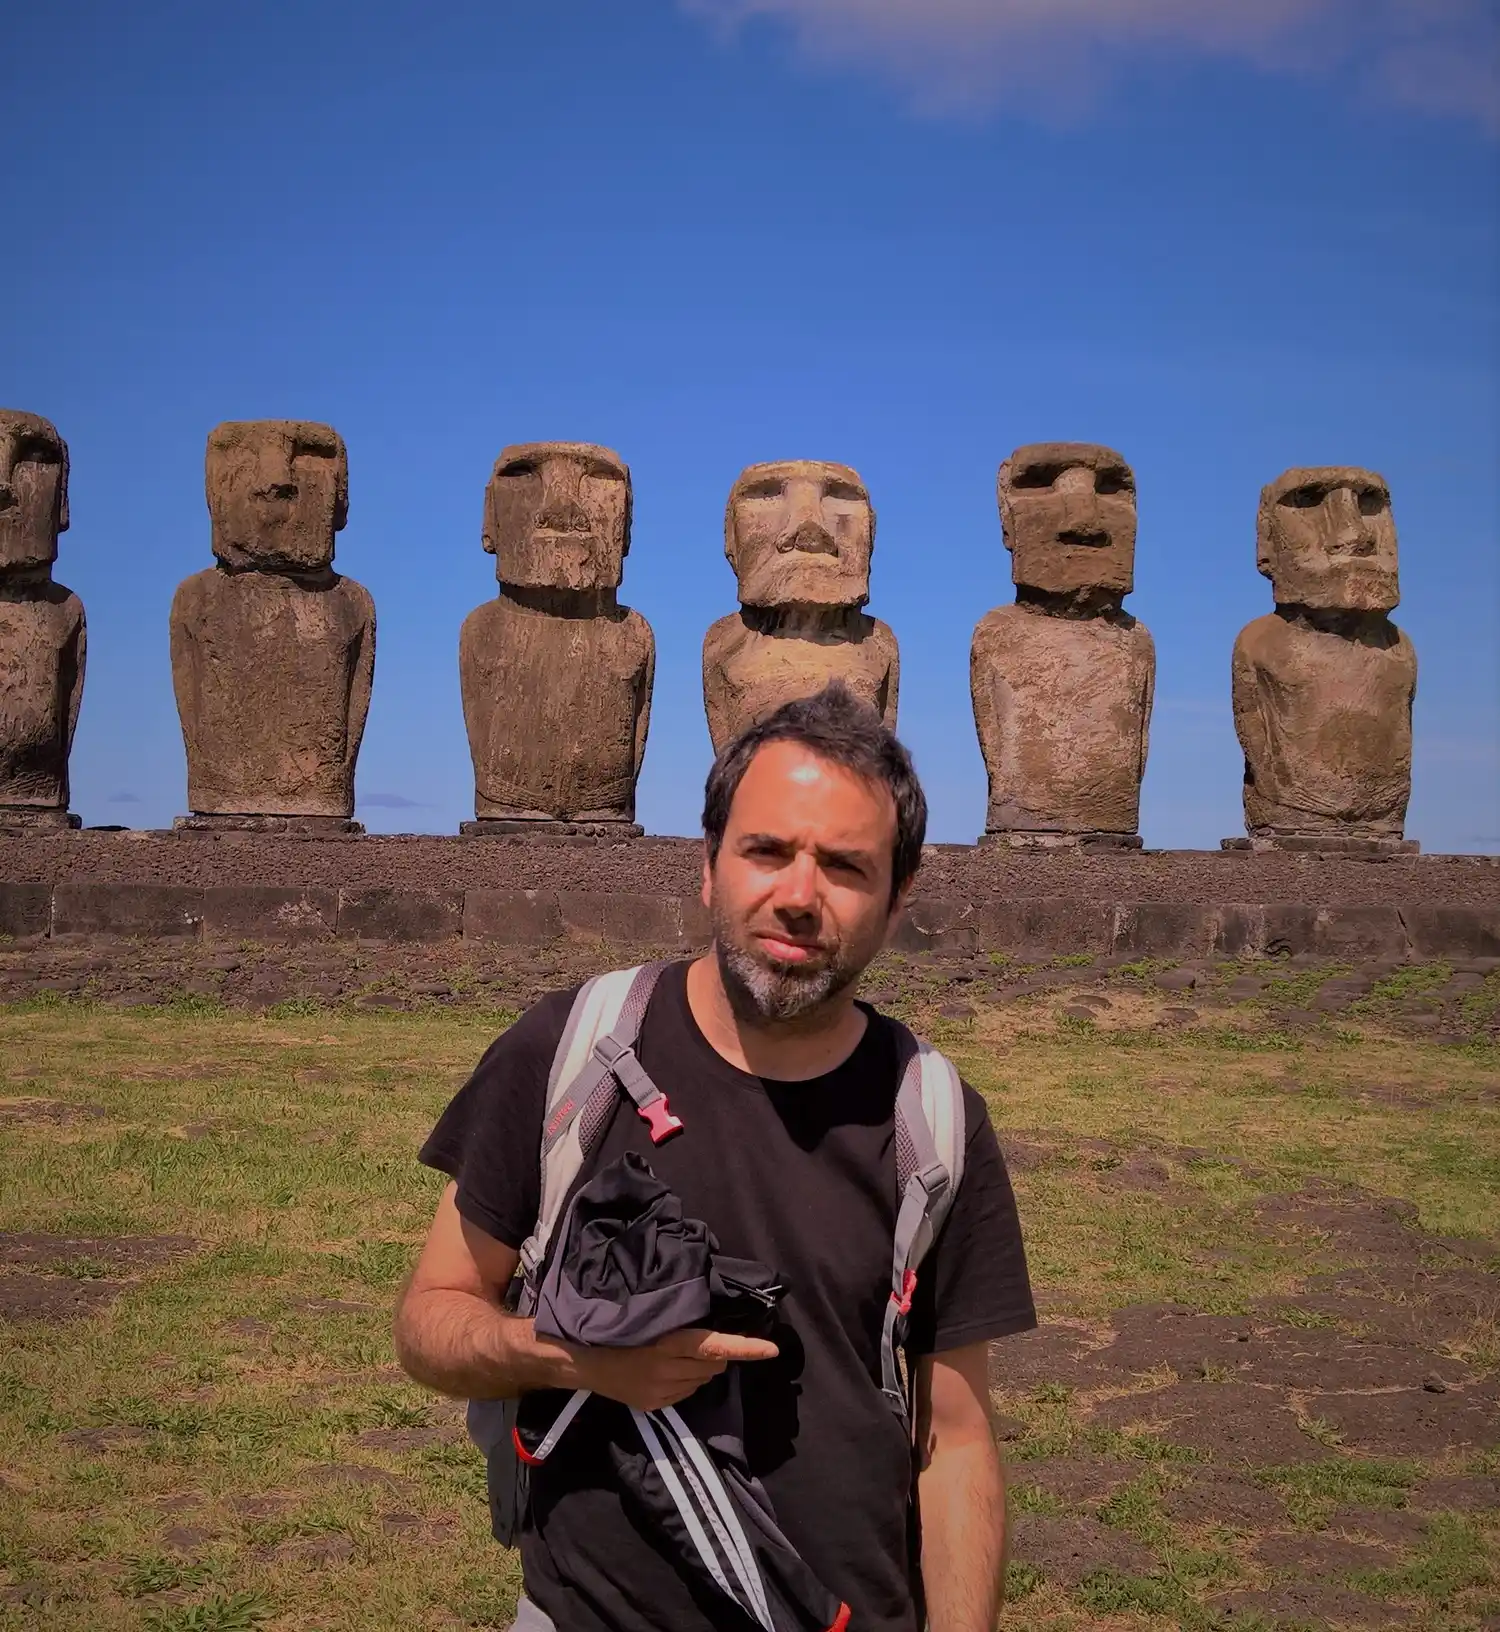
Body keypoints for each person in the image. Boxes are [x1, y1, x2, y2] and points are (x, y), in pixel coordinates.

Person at [394, 683, 1037, 1632]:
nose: (798, 895)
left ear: (899, 897)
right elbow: (429, 1320)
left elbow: (956, 1439)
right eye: (766, 851)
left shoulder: (934, 1117)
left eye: (846, 867)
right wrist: (570, 1359)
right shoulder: (566, 1051)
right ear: (708, 865)